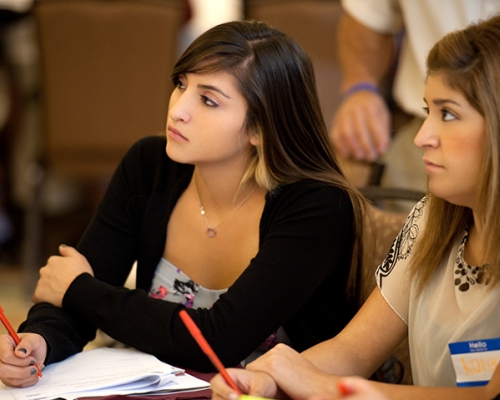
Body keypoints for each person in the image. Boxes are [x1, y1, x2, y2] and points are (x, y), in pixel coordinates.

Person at [0, 20, 367, 388]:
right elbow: (73, 294)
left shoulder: (317, 206)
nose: (177, 109)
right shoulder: (150, 165)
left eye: (208, 100)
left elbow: (218, 340)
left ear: (260, 127)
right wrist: (40, 340)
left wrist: (80, 288)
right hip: (147, 387)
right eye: (181, 84)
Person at [211, 15, 500, 399]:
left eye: (447, 114)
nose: (422, 137)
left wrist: (345, 390)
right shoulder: (431, 218)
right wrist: (271, 378)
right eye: (428, 111)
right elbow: (353, 349)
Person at [331, 0, 500, 210]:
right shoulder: (416, 221)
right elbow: (368, 14)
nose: (420, 139)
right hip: (411, 118)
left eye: (448, 114)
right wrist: (360, 87)